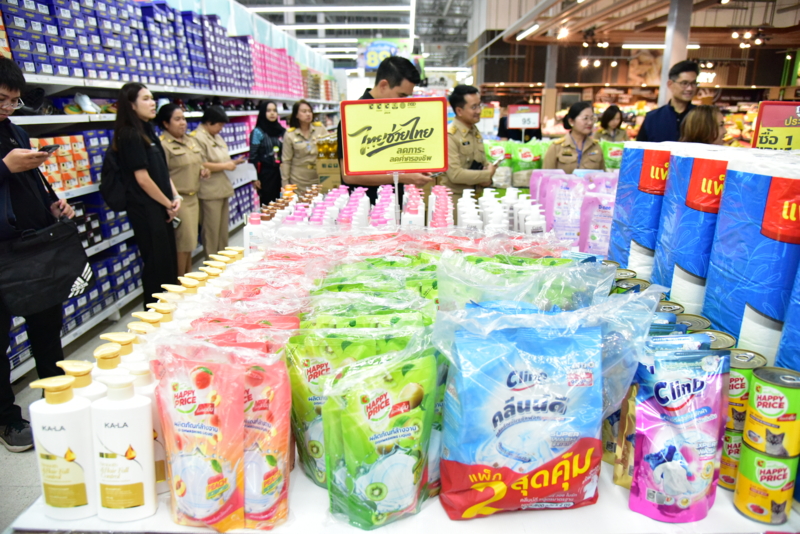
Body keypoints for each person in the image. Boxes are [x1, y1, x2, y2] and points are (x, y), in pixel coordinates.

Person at [0, 57, 75, 452]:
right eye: (1, 99)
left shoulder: (15, 131)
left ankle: (57, 403)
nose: (7, 107)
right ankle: (7, 419)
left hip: (34, 249)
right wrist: (3, 167)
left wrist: (53, 206)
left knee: (47, 330)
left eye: (13, 101)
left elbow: (30, 184)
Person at [114, 83, 179, 310]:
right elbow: (142, 179)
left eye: (152, 98)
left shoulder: (148, 129)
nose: (152, 103)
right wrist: (167, 203)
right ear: (131, 105)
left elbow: (161, 169)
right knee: (156, 266)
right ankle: (153, 315)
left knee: (168, 263)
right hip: (146, 210)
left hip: (161, 206)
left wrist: (175, 196)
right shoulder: (129, 134)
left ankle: (168, 311)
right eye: (146, 99)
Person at [336, 56, 434, 205]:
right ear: (383, 85)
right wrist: (403, 177)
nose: (405, 103)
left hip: (394, 204)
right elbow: (349, 176)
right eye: (401, 96)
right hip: (365, 208)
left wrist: (414, 169)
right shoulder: (353, 117)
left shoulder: (394, 116)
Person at [157, 103, 208, 276]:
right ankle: (180, 281)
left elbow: (197, 163)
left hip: (194, 198)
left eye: (184, 119)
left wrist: (203, 170)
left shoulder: (189, 141)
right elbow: (162, 174)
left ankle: (188, 276)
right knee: (182, 245)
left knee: (190, 244)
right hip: (179, 201)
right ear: (166, 123)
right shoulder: (163, 145)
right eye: (177, 119)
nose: (183, 123)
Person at [191, 106, 245, 259]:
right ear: (209, 122)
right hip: (209, 191)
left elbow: (221, 159)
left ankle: (224, 259)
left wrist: (233, 162)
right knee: (211, 230)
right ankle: (212, 262)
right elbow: (200, 164)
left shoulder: (217, 136)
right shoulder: (197, 138)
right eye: (219, 125)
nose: (221, 128)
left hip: (222, 188)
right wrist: (225, 166)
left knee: (222, 230)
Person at [441, 85, 496, 215]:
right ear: (459, 111)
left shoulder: (474, 132)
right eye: (474, 107)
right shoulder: (450, 136)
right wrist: (487, 174)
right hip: (456, 203)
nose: (479, 111)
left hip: (475, 198)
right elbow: (455, 175)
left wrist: (488, 174)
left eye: (479, 105)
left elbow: (482, 162)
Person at [636, 60, 699, 142]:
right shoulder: (652, 118)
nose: (690, 88)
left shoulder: (702, 117)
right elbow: (640, 147)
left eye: (693, 83)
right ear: (670, 84)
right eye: (684, 83)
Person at [543, 101, 604, 173]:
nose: (590, 122)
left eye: (592, 118)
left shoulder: (596, 147)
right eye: (585, 118)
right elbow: (546, 175)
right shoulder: (556, 147)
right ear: (571, 121)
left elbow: (602, 176)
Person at [280, 100, 327, 194]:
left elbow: (330, 150)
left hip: (318, 178)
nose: (308, 114)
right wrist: (285, 184)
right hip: (298, 181)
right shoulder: (290, 135)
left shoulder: (320, 129)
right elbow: (286, 161)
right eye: (304, 111)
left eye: (309, 111)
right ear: (296, 115)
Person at [249, 100, 285, 206]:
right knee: (269, 205)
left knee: (283, 204)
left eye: (274, 110)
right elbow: (253, 156)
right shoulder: (258, 132)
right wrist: (255, 178)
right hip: (266, 174)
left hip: (282, 173)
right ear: (263, 112)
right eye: (268, 111)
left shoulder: (282, 131)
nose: (272, 113)